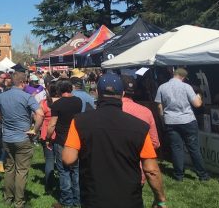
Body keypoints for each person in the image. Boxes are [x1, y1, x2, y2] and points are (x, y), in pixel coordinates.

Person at [62, 72, 167, 208]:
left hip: (93, 196)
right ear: (122, 94)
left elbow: (68, 158)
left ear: (97, 93)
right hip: (129, 198)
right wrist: (160, 199)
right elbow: (151, 170)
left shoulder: (79, 121)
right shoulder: (139, 127)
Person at [0, 71, 44, 208]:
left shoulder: (2, 96)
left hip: (7, 138)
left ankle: (8, 197)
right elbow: (40, 114)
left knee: (9, 168)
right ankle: (19, 201)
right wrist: (35, 130)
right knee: (21, 170)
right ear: (23, 82)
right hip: (23, 137)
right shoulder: (27, 97)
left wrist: (7, 117)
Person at [155, 68, 209, 181]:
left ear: (174, 75)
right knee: (193, 148)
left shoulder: (162, 87)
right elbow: (197, 104)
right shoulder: (186, 87)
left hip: (171, 121)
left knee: (176, 148)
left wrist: (163, 117)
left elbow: (159, 107)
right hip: (187, 120)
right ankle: (203, 175)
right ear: (183, 77)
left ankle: (179, 175)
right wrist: (199, 95)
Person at [47, 80, 82, 208]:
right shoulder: (78, 101)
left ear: (60, 91)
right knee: (76, 171)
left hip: (62, 140)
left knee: (64, 171)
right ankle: (77, 200)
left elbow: (52, 124)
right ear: (71, 89)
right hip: (75, 139)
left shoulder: (57, 105)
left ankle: (67, 201)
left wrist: (48, 138)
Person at [39, 83, 59, 194]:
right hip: (60, 133)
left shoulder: (43, 103)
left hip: (47, 133)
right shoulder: (62, 102)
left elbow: (38, 117)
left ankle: (49, 186)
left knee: (49, 160)